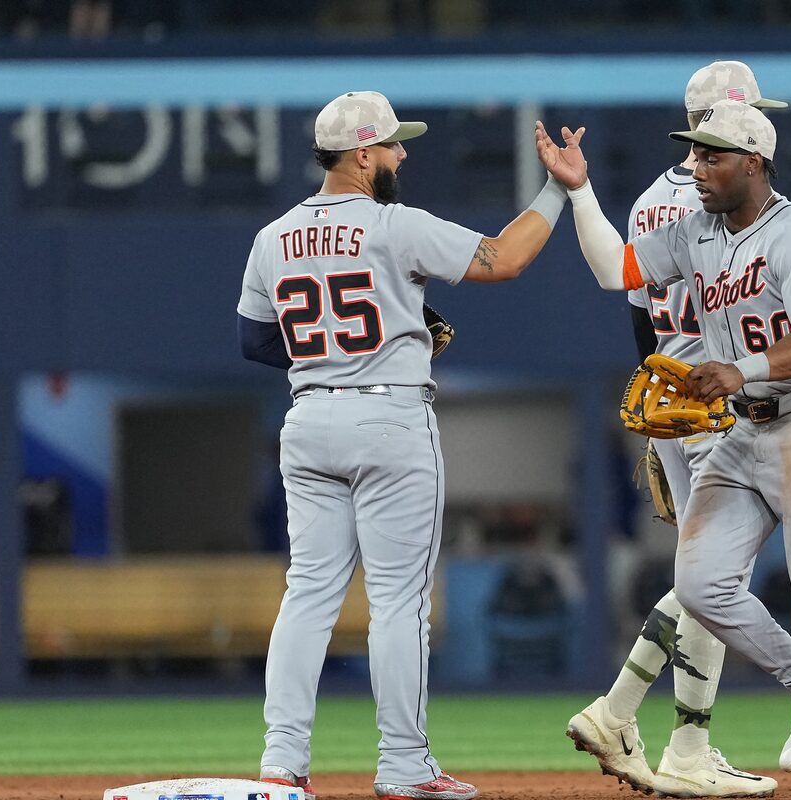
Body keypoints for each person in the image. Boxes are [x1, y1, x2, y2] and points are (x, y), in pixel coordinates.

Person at [537, 99, 791, 799]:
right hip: (743, 429)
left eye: (712, 156)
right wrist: (580, 190)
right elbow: (615, 269)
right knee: (701, 584)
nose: (696, 167)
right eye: (695, 153)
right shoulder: (694, 233)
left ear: (753, 163)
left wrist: (743, 370)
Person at [237, 90, 571, 800]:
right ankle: (404, 766)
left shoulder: (273, 237)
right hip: (388, 417)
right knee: (397, 602)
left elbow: (255, 341)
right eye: (392, 144)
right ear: (362, 155)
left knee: (307, 595)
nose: (402, 154)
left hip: (309, 420)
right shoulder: (394, 224)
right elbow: (506, 258)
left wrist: (333, 359)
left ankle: (281, 763)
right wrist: (557, 190)